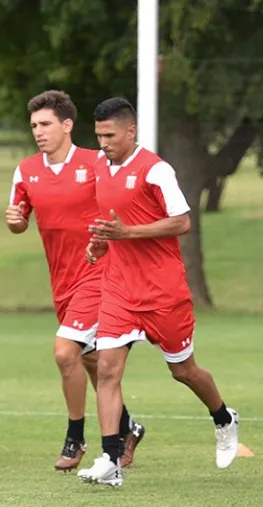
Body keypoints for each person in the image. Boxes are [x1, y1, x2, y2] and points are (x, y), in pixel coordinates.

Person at [76, 97, 239, 487]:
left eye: (109, 135)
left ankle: (223, 417)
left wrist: (126, 234)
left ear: (131, 131)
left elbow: (182, 222)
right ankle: (111, 458)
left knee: (183, 370)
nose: (102, 143)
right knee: (107, 371)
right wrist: (102, 243)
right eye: (98, 135)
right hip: (119, 288)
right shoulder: (101, 166)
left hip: (163, 291)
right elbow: (113, 220)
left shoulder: (156, 170)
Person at [6, 90, 146, 472]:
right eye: (34, 125)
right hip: (63, 281)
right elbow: (19, 219)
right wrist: (16, 222)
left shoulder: (97, 162)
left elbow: (124, 200)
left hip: (99, 274)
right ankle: (127, 428)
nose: (38, 131)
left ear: (67, 125)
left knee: (65, 351)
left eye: (46, 124)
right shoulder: (26, 170)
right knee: (90, 359)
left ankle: (76, 437)